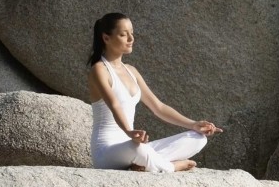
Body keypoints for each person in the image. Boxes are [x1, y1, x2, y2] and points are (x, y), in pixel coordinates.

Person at [87, 12, 222, 172]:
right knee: (139, 149)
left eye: (132, 33)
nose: (131, 39)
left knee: (198, 139)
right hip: (107, 152)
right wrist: (129, 132)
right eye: (124, 35)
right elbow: (114, 104)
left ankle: (143, 165)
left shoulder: (131, 71)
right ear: (106, 38)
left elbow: (158, 107)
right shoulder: (99, 70)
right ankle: (171, 166)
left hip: (132, 146)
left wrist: (193, 124)